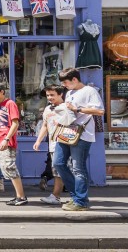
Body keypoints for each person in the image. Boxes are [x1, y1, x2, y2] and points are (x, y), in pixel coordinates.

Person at [54, 67, 104, 211]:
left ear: (75, 79)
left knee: (78, 168)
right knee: (58, 163)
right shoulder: (70, 92)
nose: (64, 86)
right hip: (67, 131)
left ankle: (81, 201)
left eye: (66, 82)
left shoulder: (90, 91)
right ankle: (76, 196)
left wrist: (78, 109)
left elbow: (100, 111)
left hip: (83, 133)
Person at [34, 84, 73, 206]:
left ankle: (71, 196)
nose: (50, 97)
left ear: (61, 94)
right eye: (48, 95)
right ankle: (58, 196)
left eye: (52, 95)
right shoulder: (47, 109)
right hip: (53, 144)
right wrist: (38, 141)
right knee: (57, 170)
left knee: (64, 170)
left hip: (65, 143)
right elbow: (45, 125)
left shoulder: (66, 107)